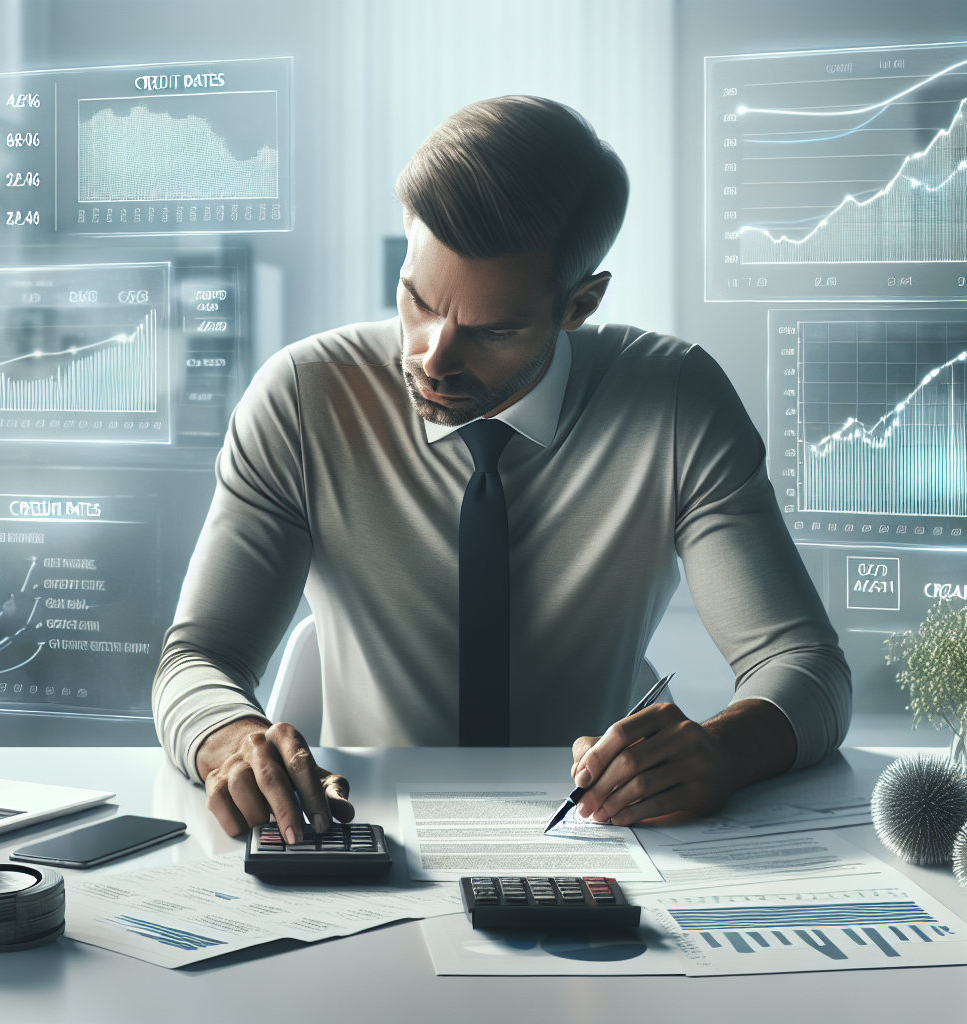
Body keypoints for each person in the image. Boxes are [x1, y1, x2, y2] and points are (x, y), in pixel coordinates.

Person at [153, 96, 851, 842]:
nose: (432, 355)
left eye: (493, 330)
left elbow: (802, 663)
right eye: (417, 300)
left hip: (593, 836)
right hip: (364, 829)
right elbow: (198, 657)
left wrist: (723, 750)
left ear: (579, 304)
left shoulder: (674, 402)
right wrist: (231, 739)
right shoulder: (303, 397)